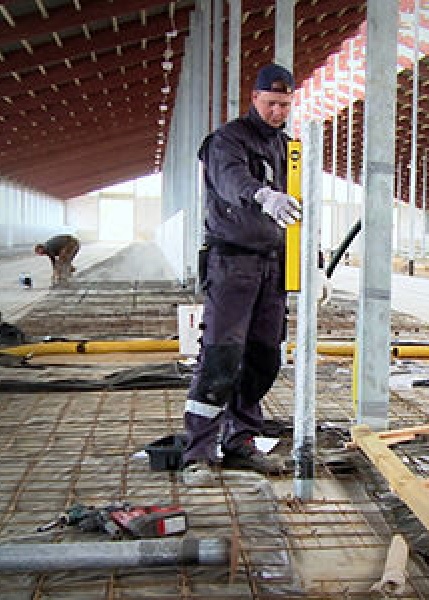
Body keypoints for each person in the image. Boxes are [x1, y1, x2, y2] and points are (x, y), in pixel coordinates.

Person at [182, 64, 301, 479]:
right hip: (233, 262)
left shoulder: (288, 148)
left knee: (264, 357)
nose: (277, 112)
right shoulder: (227, 141)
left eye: (284, 105)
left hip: (274, 266)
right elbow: (231, 179)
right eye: (271, 103)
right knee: (221, 354)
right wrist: (262, 194)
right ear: (254, 98)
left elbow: (300, 205)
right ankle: (199, 450)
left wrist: (312, 258)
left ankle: (241, 439)